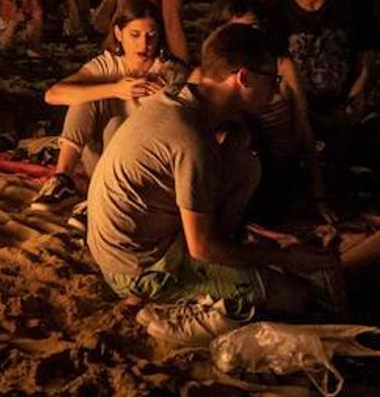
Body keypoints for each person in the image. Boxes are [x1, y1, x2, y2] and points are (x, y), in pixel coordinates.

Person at [87, 25, 343, 344]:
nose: (276, 90)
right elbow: (203, 247)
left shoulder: (181, 99)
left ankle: (214, 279)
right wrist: (284, 258)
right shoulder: (191, 139)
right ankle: (183, 312)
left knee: (244, 163)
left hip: (130, 244)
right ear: (244, 78)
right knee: (295, 297)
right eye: (272, 80)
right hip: (139, 268)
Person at [31, 0, 186, 227]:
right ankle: (62, 178)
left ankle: (102, 198)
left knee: (116, 125)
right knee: (85, 95)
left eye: (151, 35)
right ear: (119, 34)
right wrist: (115, 89)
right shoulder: (108, 65)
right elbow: (53, 94)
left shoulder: (169, 71)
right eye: (134, 35)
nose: (144, 44)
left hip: (136, 167)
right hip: (100, 158)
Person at [207, 0, 323, 221]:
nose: (248, 38)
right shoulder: (218, 73)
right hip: (243, 169)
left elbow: (302, 125)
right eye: (238, 31)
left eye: (253, 28)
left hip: (281, 168)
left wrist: (318, 192)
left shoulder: (280, 65)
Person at [267, 0, 377, 168]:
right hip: (297, 114)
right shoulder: (275, 14)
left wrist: (351, 107)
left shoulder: (353, 4)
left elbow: (367, 61)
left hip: (346, 110)